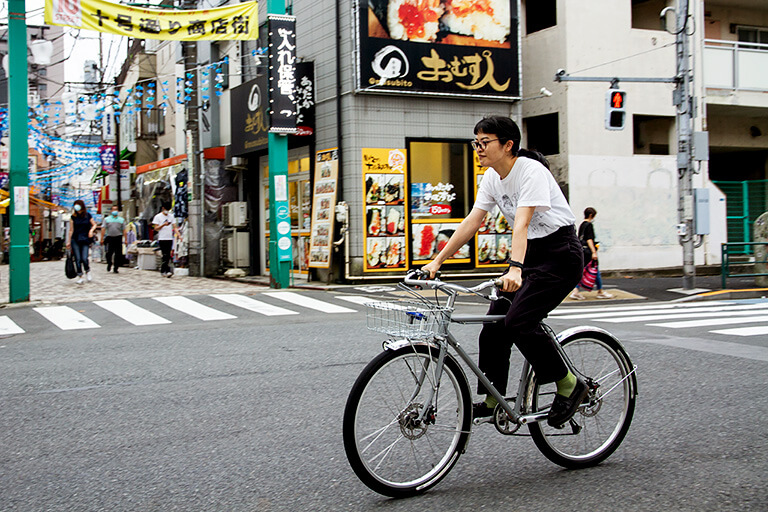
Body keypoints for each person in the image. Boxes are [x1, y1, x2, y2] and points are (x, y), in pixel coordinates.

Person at [422, 115, 587, 428]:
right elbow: (472, 221)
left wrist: (515, 268)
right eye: (477, 143)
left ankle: (569, 384)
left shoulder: (530, 171)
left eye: (485, 143)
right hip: (532, 254)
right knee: (493, 327)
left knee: (519, 322)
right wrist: (437, 260)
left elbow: (522, 222)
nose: (479, 149)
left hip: (560, 254)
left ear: (508, 145)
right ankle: (492, 397)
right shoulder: (491, 178)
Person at [570, 207, 614, 300]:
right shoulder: (589, 225)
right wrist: (594, 252)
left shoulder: (582, 225)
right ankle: (599, 291)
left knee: (585, 271)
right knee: (594, 270)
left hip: (582, 250)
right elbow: (589, 239)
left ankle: (579, 291)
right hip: (588, 252)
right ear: (591, 215)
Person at [66, 199, 97, 285]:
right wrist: (68, 241)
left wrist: (91, 231)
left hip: (85, 239)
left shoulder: (87, 215)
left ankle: (87, 271)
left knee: (84, 258)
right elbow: (71, 230)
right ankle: (80, 276)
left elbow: (94, 224)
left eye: (78, 205)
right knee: (77, 259)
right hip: (75, 239)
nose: (77, 207)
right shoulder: (73, 217)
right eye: (75, 205)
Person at [152, 202, 177, 277]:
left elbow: (174, 226)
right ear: (163, 208)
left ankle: (166, 270)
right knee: (165, 254)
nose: (167, 211)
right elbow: (155, 228)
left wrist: (178, 234)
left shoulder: (171, 216)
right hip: (162, 238)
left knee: (168, 254)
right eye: (166, 209)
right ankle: (165, 270)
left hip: (169, 238)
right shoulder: (158, 217)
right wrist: (163, 225)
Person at [102, 204, 126, 274]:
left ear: (118, 211)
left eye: (116, 210)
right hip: (109, 237)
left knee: (118, 253)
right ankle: (109, 263)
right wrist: (102, 238)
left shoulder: (121, 220)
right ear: (111, 211)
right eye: (113, 209)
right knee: (109, 253)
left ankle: (116, 267)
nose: (114, 211)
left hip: (118, 237)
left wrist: (126, 239)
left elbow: (124, 230)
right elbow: (103, 228)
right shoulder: (107, 219)